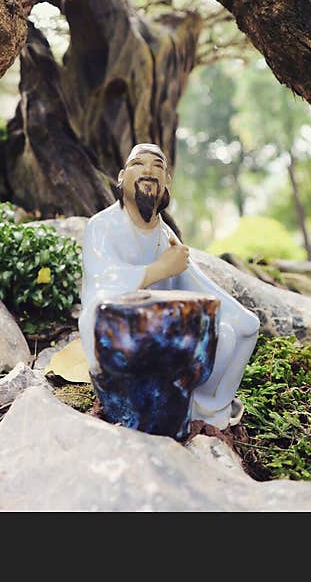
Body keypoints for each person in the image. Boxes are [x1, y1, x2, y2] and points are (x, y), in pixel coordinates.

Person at [78, 143, 260, 430]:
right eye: (139, 164)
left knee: (230, 332)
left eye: (158, 166)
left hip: (164, 324)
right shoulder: (102, 226)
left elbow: (194, 280)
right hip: (117, 333)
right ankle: (153, 415)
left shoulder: (165, 234)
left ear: (166, 183)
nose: (149, 170)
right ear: (122, 177)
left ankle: (205, 408)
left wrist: (242, 319)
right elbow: (102, 289)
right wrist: (159, 269)